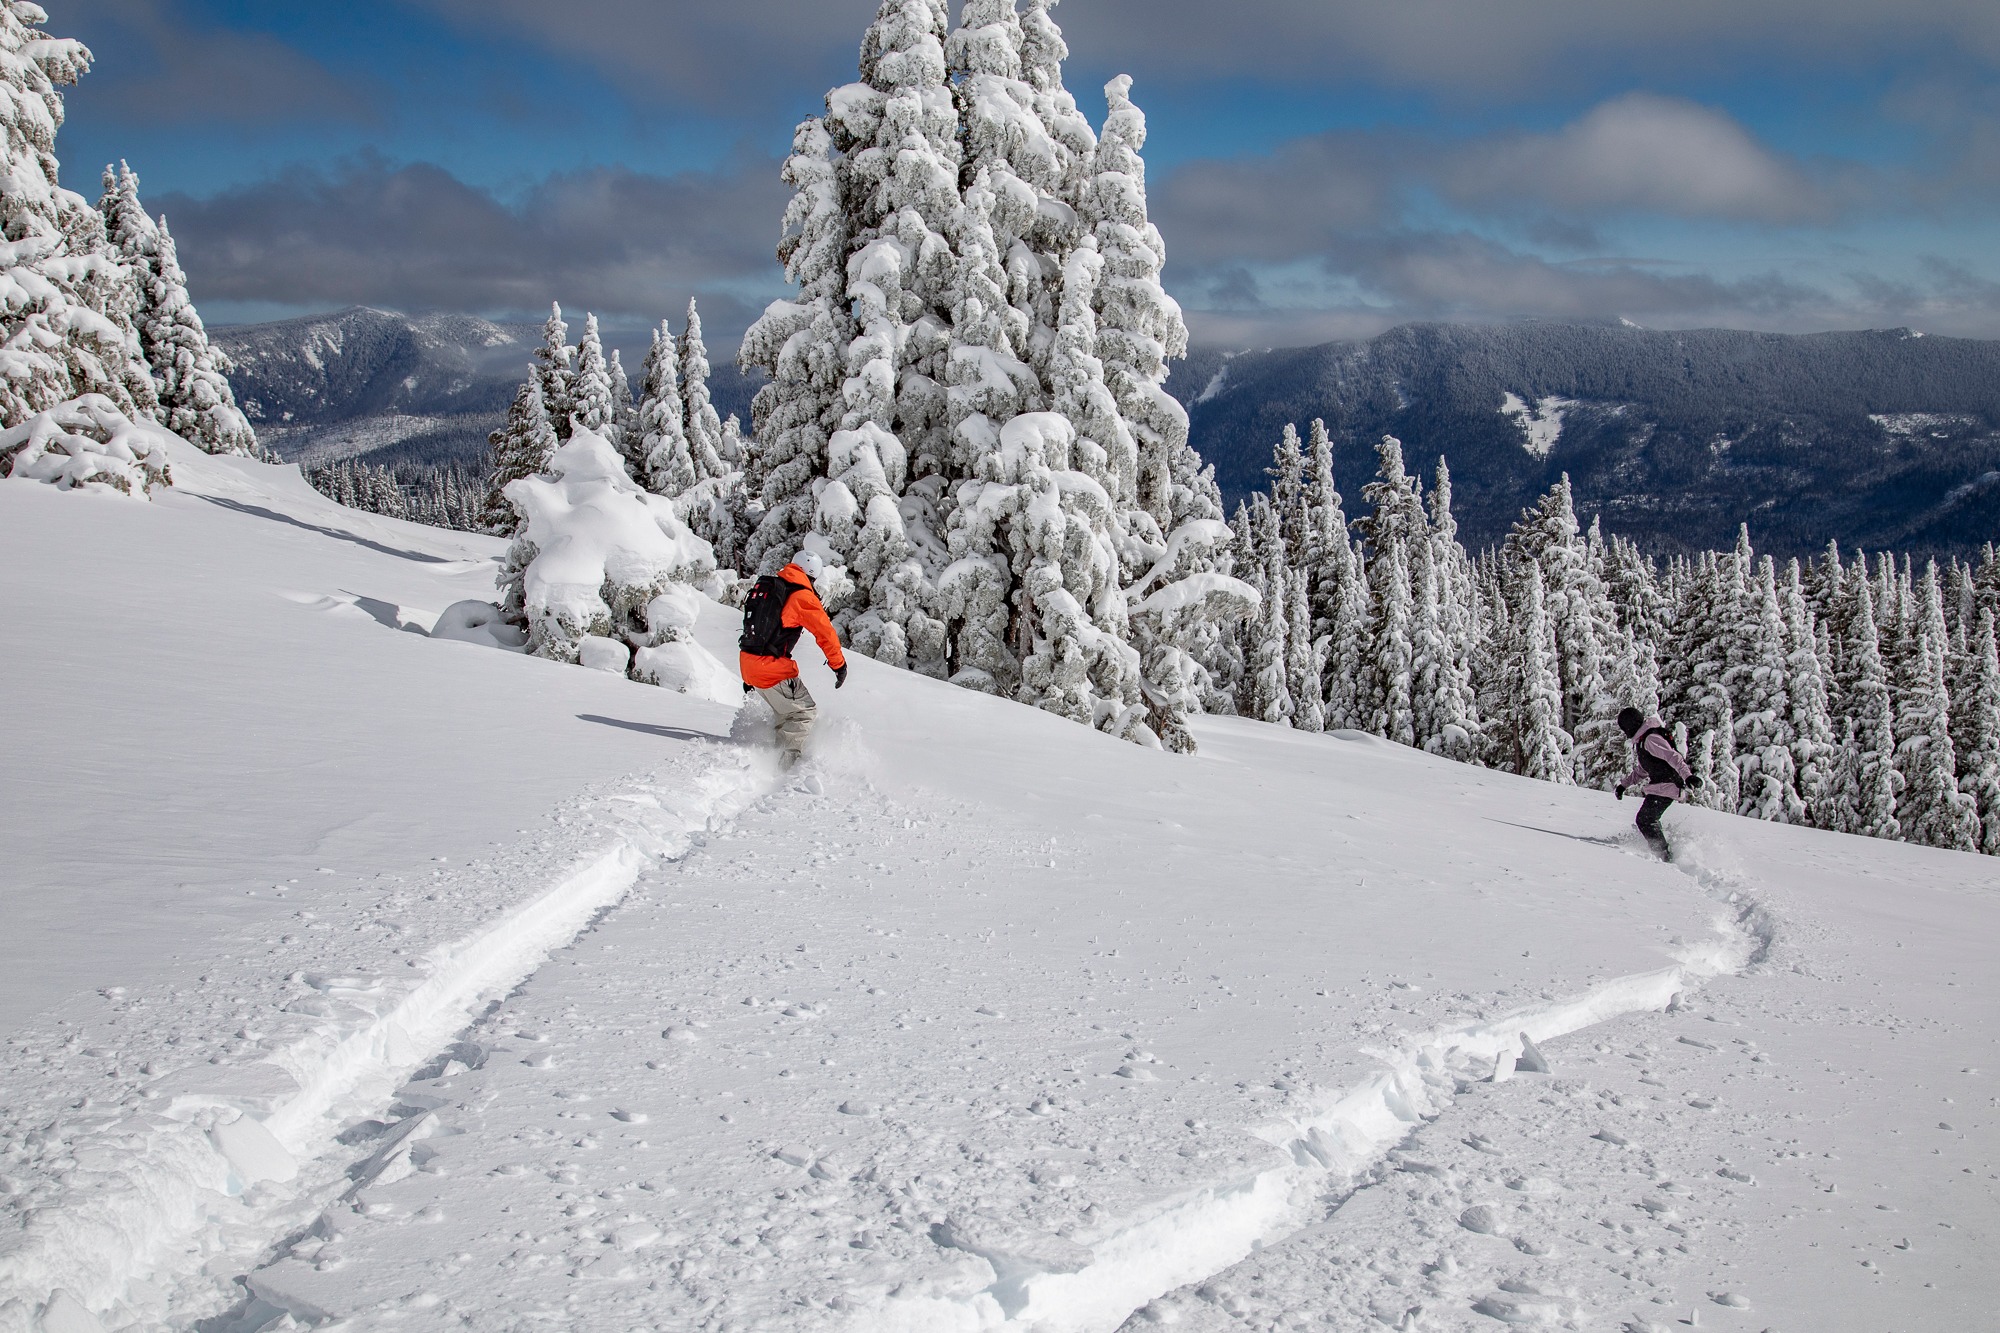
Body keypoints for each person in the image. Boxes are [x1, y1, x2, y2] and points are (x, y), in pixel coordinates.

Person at [739, 550, 848, 769]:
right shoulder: (801, 596)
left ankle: (770, 759)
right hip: (770, 667)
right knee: (803, 713)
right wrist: (839, 665)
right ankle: (784, 769)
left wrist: (752, 674)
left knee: (786, 713)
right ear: (812, 575)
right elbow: (825, 633)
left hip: (749, 663)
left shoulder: (771, 587)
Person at [1615, 706, 1701, 858]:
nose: (1625, 733)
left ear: (1631, 725)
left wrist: (1688, 776)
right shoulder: (1643, 741)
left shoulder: (1650, 739)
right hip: (1661, 786)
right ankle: (1662, 850)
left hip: (1668, 785)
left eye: (1625, 728)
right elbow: (1643, 769)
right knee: (1647, 820)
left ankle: (1663, 855)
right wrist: (1624, 785)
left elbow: (1673, 757)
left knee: (1645, 820)